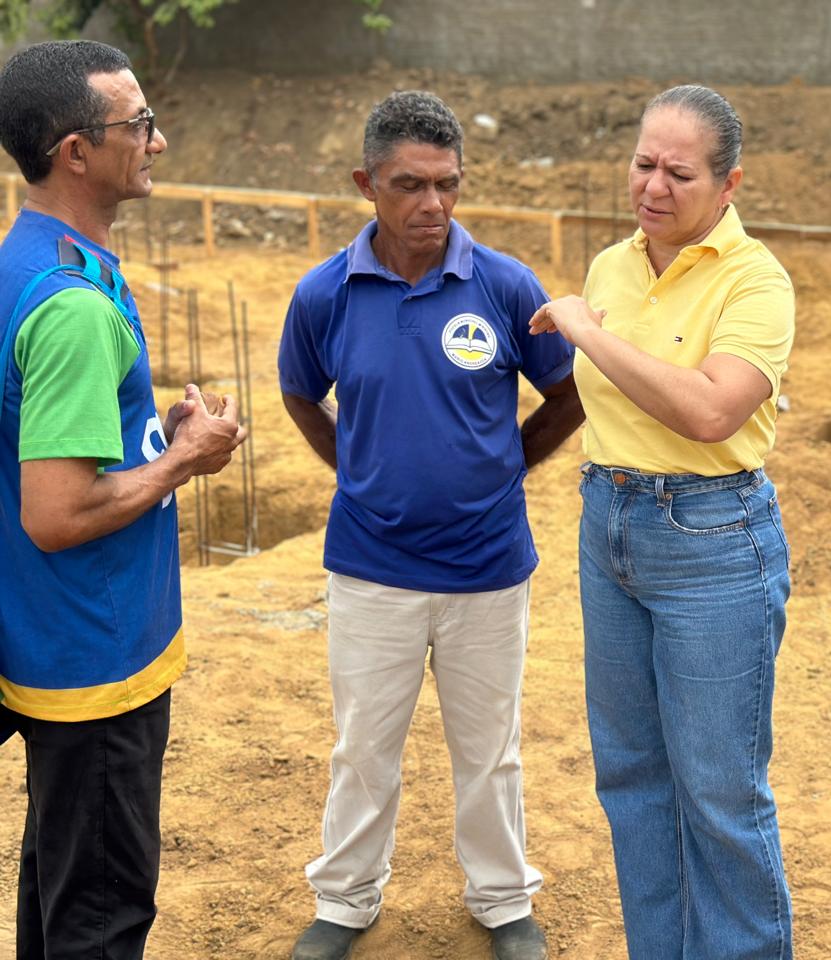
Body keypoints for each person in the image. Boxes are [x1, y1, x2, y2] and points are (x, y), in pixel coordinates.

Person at [278, 90, 581, 960]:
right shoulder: (324, 295)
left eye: (448, 184)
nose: (433, 206)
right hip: (370, 569)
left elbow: (567, 396)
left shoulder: (503, 284)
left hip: (488, 570)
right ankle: (344, 901)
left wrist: (506, 468)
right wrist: (357, 469)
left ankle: (502, 900)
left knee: (490, 750)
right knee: (363, 747)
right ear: (365, 183)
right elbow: (301, 393)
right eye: (409, 185)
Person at [530, 84, 795, 960]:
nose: (653, 186)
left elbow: (713, 412)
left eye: (679, 172)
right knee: (633, 776)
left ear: (729, 185)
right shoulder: (614, 265)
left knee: (719, 792)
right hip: (610, 523)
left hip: (712, 540)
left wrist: (586, 332)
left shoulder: (757, 282)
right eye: (644, 163)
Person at [0, 39, 246, 959]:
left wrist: (153, 431)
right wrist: (184, 459)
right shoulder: (69, 307)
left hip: (50, 634)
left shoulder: (36, 256)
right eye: (137, 124)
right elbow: (56, 514)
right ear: (76, 151)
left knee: (59, 883)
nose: (158, 140)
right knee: (100, 913)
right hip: (93, 659)